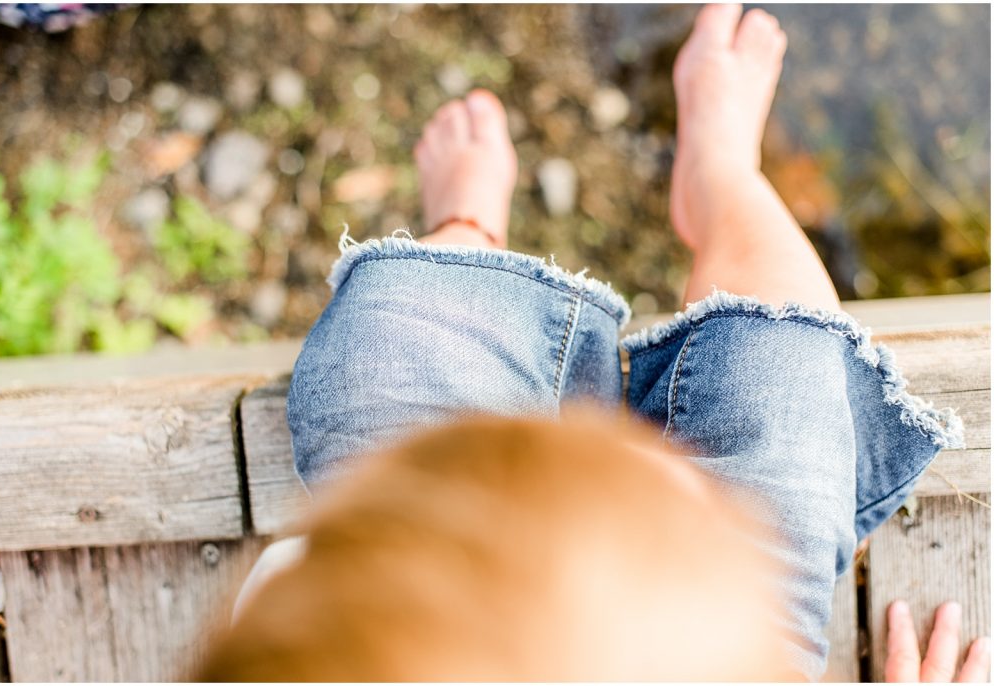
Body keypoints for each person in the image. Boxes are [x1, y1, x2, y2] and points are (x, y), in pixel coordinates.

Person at [201, 4, 988, 681]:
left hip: (392, 616)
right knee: (784, 367)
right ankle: (721, 179)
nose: (642, 449)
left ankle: (469, 231)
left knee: (392, 338)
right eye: (660, 475)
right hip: (732, 662)